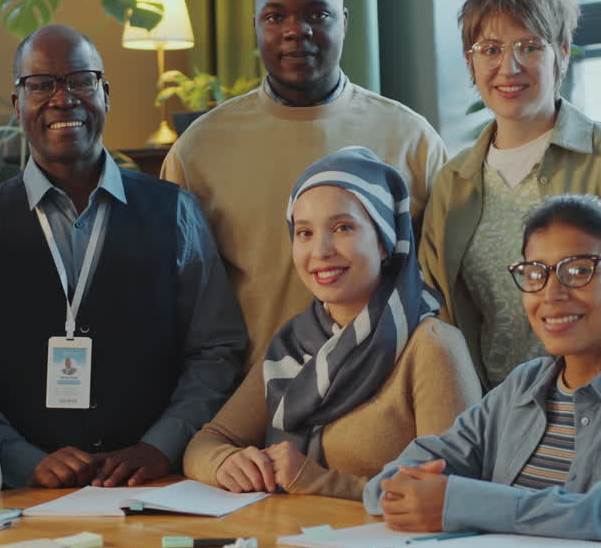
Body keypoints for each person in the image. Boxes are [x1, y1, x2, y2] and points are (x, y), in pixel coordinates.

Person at [0, 24, 247, 490]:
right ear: (18, 104)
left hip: (154, 487)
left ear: (105, 94)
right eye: (40, 85)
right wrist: (20, 458)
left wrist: (161, 445)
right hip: (21, 492)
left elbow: (216, 349)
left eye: (80, 81)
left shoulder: (175, 214)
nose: (62, 98)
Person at [365, 194, 601, 548]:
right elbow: (397, 477)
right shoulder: (524, 385)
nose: (551, 293)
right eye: (535, 273)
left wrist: (467, 504)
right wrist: (402, 491)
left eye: (579, 270)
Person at [162, 0, 445, 372]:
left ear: (344, 22)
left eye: (318, 14)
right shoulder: (197, 152)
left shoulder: (412, 140)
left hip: (384, 405)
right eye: (276, 16)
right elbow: (178, 309)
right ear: (256, 25)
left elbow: (441, 293)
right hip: (247, 408)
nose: (297, 30)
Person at [419, 0, 601, 391]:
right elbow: (440, 318)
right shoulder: (452, 182)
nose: (509, 66)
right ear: (471, 63)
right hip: (490, 417)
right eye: (490, 49)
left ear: (562, 53)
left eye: (530, 46)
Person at [183, 148, 480, 500]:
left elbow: (450, 492)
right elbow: (205, 443)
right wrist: (225, 462)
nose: (320, 250)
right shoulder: (293, 344)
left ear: (385, 242)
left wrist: (317, 480)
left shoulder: (432, 345)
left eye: (343, 228)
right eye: (304, 233)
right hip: (287, 543)